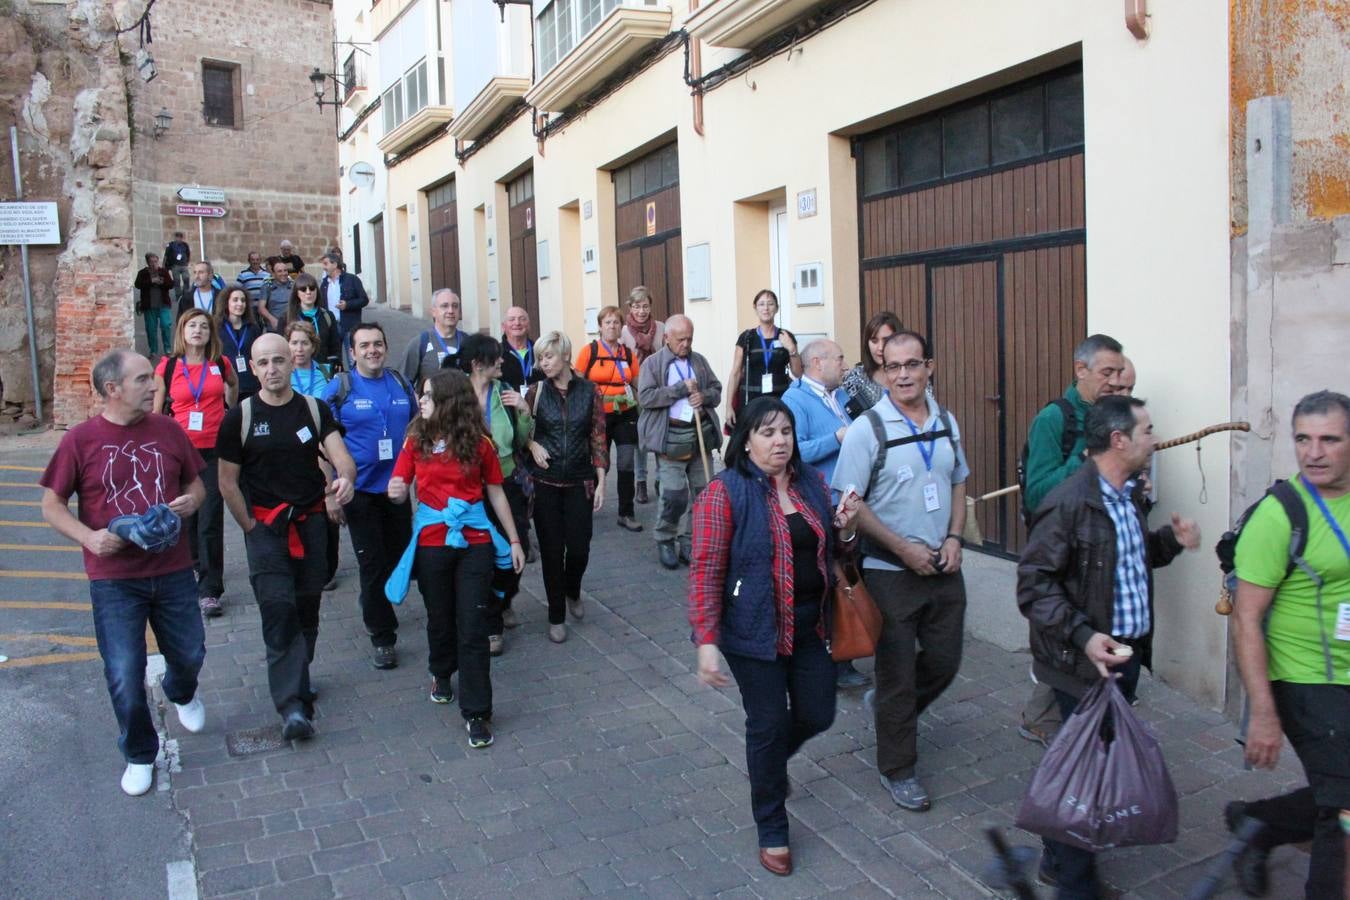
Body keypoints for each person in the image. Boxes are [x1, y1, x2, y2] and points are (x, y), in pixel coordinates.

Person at [1017, 395, 1200, 897]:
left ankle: (1058, 859)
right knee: (1087, 774)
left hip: (1125, 657)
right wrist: (1085, 635)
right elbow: (1034, 586)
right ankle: (1076, 885)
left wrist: (1168, 542)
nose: (1154, 440)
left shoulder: (1126, 494)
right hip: (1083, 663)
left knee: (1088, 765)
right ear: (1118, 440)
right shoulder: (1070, 501)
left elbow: (1124, 564)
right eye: (1147, 431)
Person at [690, 396, 861, 877]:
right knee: (766, 725)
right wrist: (706, 639)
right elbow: (705, 570)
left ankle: (770, 764)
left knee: (818, 711)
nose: (780, 440)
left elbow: (836, 551)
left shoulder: (812, 482)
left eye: (785, 431)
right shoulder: (725, 493)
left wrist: (845, 529)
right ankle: (772, 826)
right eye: (767, 432)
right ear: (745, 440)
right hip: (752, 632)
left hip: (810, 624)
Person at [39, 349, 207, 796]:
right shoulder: (80, 440)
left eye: (152, 378)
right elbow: (51, 505)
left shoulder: (169, 430)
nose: (154, 386)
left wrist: (193, 500)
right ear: (113, 389)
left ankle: (181, 689)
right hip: (114, 578)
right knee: (124, 671)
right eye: (143, 379)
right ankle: (138, 753)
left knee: (190, 653)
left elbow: (196, 483)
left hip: (172, 568)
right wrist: (89, 538)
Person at [830, 329, 969, 812]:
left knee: (946, 661)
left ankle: (893, 713)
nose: (904, 375)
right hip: (888, 569)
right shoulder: (869, 428)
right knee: (896, 673)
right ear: (882, 372)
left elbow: (957, 484)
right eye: (894, 367)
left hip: (943, 566)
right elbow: (849, 501)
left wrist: (955, 538)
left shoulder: (947, 421)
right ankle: (898, 767)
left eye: (913, 364)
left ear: (929, 366)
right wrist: (902, 549)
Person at [1230, 390, 1350, 899]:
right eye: (1303, 439)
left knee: (1338, 792)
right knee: (1345, 811)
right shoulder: (1280, 516)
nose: (1313, 452)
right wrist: (1262, 712)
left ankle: (1259, 824)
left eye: (1329, 439)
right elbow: (1246, 619)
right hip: (1304, 679)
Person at [218, 334, 356, 741]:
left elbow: (340, 456)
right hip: (265, 529)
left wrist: (345, 479)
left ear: (290, 363)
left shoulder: (313, 409)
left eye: (279, 360)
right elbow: (227, 483)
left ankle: (298, 671)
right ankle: (293, 707)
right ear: (254, 367)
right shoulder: (239, 418)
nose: (272, 369)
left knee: (307, 606)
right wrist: (248, 526)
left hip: (311, 523)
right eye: (264, 363)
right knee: (278, 610)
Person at [386, 371, 526, 748]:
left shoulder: (480, 444)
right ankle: (441, 669)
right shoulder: (415, 439)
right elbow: (398, 486)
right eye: (422, 394)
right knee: (440, 617)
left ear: (449, 400)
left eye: (429, 395)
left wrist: (513, 540)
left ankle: (477, 712)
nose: (422, 400)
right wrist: (396, 490)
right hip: (431, 541)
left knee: (473, 623)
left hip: (475, 540)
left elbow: (496, 493)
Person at [1017, 333, 1127, 747]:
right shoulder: (1054, 419)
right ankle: (1061, 729)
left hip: (1103, 554)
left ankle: (1058, 717)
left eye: (1120, 372)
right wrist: (1085, 457)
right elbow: (1038, 493)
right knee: (1067, 639)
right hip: (1065, 554)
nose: (1116, 381)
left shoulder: (1116, 414)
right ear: (1081, 371)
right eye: (1107, 372)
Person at [323, 322, 416, 669]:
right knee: (372, 563)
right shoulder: (341, 387)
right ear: (352, 353)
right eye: (364, 345)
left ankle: (372, 598)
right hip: (359, 491)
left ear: (386, 348)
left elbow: (417, 430)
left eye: (378, 343)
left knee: (396, 559)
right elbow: (323, 441)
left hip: (396, 489)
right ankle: (383, 637)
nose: (372, 350)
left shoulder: (400, 383)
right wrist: (330, 490)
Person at [782, 338, 871, 690]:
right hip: (822, 503)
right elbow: (794, 451)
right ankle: (835, 660)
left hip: (851, 502)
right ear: (818, 363)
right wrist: (837, 436)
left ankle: (846, 647)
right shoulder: (795, 400)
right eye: (839, 358)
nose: (844, 364)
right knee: (833, 582)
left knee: (849, 576)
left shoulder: (842, 397)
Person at [152, 309, 238, 618]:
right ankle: (192, 567)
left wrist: (230, 409)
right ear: (182, 331)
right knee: (186, 517)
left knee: (211, 517)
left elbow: (232, 383)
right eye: (192, 325)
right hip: (180, 452)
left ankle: (210, 589)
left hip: (215, 449)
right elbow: (156, 409)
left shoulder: (219, 363)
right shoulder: (169, 366)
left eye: (203, 326)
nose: (198, 330)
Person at [523, 331, 608, 643]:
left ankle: (573, 589)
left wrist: (601, 481)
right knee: (550, 550)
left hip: (579, 480)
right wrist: (532, 444)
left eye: (548, 356)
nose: (543, 362)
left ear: (565, 357)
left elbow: (598, 437)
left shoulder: (590, 391)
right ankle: (555, 614)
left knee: (580, 547)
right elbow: (522, 433)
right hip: (545, 482)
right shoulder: (535, 392)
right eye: (540, 357)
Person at [457, 335, 533, 655]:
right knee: (484, 555)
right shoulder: (455, 394)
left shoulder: (505, 393)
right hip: (471, 488)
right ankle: (492, 624)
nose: (502, 362)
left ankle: (504, 597)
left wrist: (525, 412)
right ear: (477, 364)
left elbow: (522, 437)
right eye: (496, 358)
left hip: (507, 480)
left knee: (520, 549)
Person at [637, 314, 722, 570]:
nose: (686, 344)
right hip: (670, 439)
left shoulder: (699, 361)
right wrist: (679, 391)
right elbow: (646, 398)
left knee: (702, 492)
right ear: (667, 338)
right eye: (681, 339)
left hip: (699, 437)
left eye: (690, 339)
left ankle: (691, 541)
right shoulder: (653, 364)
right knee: (674, 494)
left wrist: (704, 396)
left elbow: (716, 391)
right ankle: (665, 538)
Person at [576, 305, 643, 531]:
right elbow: (577, 382)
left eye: (616, 322)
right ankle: (584, 508)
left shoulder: (627, 354)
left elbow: (638, 383)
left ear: (621, 326)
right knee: (600, 463)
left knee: (626, 462)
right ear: (600, 326)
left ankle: (626, 512)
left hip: (625, 413)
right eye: (607, 322)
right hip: (598, 416)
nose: (612, 326)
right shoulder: (589, 352)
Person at [286, 320, 340, 590]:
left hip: (324, 442)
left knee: (329, 503)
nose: (298, 348)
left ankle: (329, 567)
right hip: (293, 447)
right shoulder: (282, 373)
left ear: (313, 346)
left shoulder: (326, 372)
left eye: (304, 343)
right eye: (294, 343)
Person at [724, 290, 801, 429]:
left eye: (770, 304)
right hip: (750, 401)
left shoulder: (786, 336)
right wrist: (728, 406)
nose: (766, 308)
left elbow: (798, 373)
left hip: (779, 400)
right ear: (755, 308)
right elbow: (735, 373)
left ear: (777, 308)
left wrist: (792, 350)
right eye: (761, 304)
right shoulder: (747, 337)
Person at [620, 286, 666, 504]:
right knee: (640, 439)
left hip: (659, 390)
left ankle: (660, 478)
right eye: (637, 306)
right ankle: (640, 482)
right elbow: (620, 364)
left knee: (659, 434)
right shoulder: (623, 333)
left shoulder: (661, 328)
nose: (641, 311)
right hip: (636, 392)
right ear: (630, 307)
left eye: (645, 306)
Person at [840, 311, 902, 419]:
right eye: (874, 341)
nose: (880, 347)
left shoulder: (914, 375)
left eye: (886, 340)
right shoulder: (855, 378)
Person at [402, 288, 464, 391]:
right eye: (444, 306)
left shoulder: (468, 342)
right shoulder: (420, 343)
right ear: (433, 312)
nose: (451, 311)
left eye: (455, 306)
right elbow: (404, 383)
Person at [285, 272, 343, 373]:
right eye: (303, 289)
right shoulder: (287, 317)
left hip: (323, 370)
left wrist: (336, 363)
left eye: (312, 288)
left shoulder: (327, 316)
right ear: (296, 293)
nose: (308, 292)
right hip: (296, 372)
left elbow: (335, 345)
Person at [215, 284, 263, 401]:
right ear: (227, 303)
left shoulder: (253, 328)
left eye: (243, 300)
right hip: (226, 384)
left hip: (250, 384)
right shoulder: (217, 327)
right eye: (235, 300)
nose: (240, 304)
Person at [318, 251, 369, 351]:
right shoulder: (324, 284)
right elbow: (321, 304)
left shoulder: (352, 279)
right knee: (334, 359)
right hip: (331, 326)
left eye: (326, 264)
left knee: (352, 358)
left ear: (335, 264)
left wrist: (347, 305)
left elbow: (364, 300)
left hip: (349, 326)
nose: (323, 267)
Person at [134, 252, 174, 359]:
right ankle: (153, 350)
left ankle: (168, 349)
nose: (153, 264)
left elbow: (171, 284)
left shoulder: (163, 271)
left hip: (163, 304)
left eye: (155, 261)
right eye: (151, 262)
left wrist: (162, 282)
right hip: (149, 305)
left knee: (166, 326)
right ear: (147, 262)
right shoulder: (142, 273)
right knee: (151, 329)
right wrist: (151, 281)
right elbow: (137, 284)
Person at [499, 306, 542, 394]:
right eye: (511, 319)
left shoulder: (540, 351)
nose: (517, 323)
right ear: (503, 326)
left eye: (522, 319)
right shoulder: (497, 353)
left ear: (529, 325)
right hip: (507, 405)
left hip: (538, 404)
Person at [259, 258, 294, 332]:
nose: (283, 273)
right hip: (274, 327)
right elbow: (261, 308)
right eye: (279, 271)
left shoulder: (293, 285)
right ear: (273, 274)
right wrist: (272, 320)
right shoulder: (267, 286)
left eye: (285, 270)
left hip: (291, 327)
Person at [164, 231, 192, 305]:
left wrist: (187, 261)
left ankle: (186, 295)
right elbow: (166, 255)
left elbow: (188, 253)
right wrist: (165, 266)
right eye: (177, 237)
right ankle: (178, 296)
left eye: (180, 237)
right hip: (175, 265)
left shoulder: (185, 245)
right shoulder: (171, 245)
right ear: (175, 238)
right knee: (177, 281)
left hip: (183, 265)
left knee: (186, 278)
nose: (179, 239)